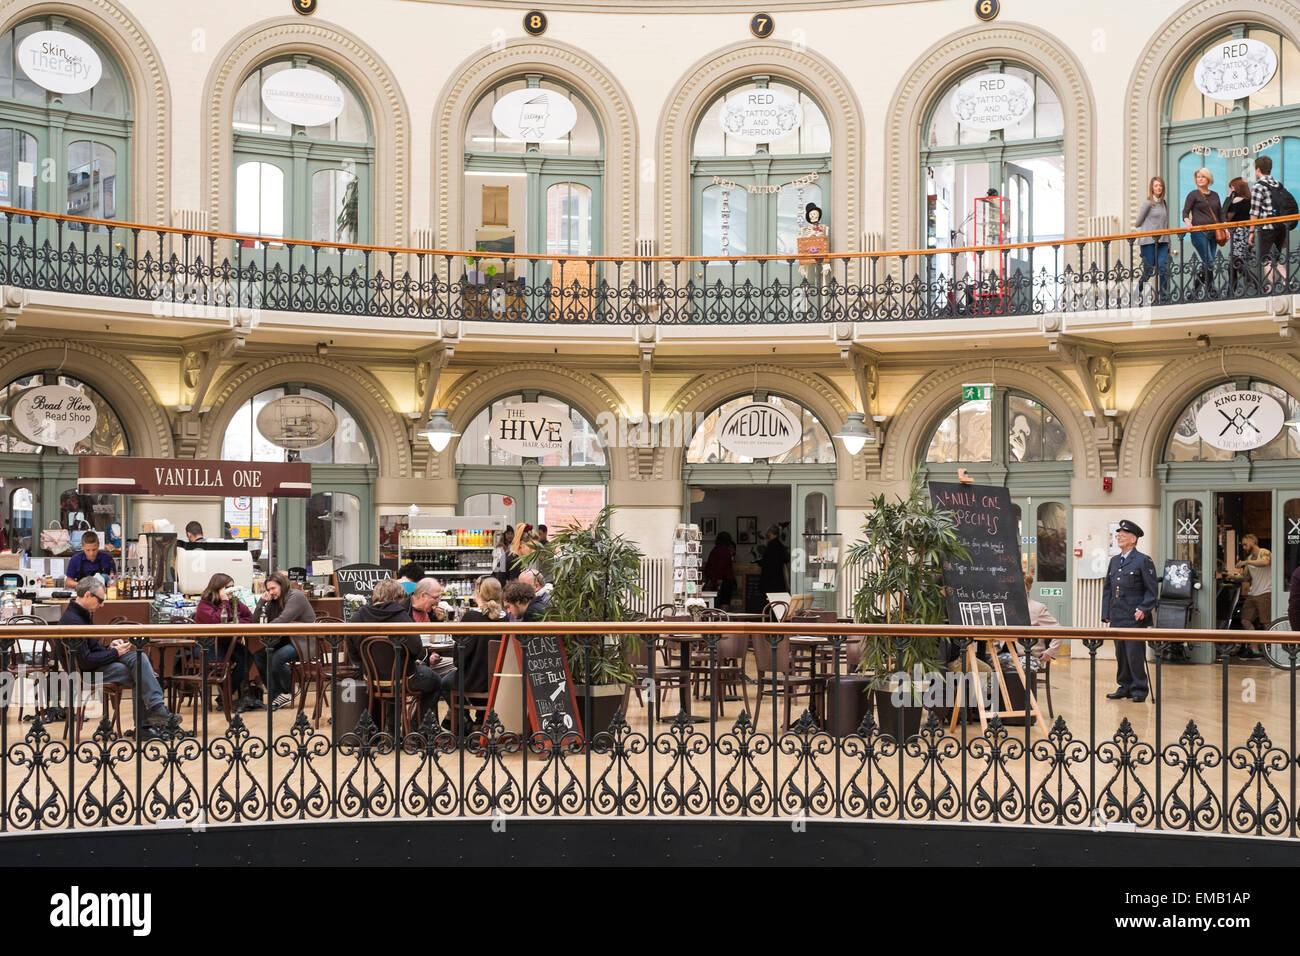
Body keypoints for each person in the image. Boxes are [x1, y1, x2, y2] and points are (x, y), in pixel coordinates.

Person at [62, 577, 175, 729]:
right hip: (85, 673)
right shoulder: (73, 621)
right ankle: (149, 721)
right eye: (100, 600)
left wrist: (109, 648)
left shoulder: (81, 615)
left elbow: (91, 650)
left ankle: (154, 712)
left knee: (139, 659)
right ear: (88, 595)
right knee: (140, 671)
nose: (102, 605)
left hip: (93, 668)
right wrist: (114, 653)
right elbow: (85, 661)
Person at [349, 578, 443, 721]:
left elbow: (353, 654)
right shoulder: (401, 616)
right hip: (404, 679)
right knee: (436, 681)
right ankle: (415, 728)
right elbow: (417, 648)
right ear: (396, 598)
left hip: (371, 679)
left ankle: (391, 731)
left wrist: (368, 666)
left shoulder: (358, 617)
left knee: (398, 676)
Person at [1101, 519, 1157, 703]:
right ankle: (1124, 686)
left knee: (1134, 654)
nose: (1119, 538)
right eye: (1118, 535)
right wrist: (1106, 612)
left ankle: (1139, 689)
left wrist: (1144, 608)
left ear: (1133, 539)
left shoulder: (1143, 561)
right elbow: (1108, 589)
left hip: (1134, 616)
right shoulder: (1114, 561)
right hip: (1118, 615)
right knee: (1121, 654)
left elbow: (1151, 590)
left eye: (1123, 536)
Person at [248, 570, 316, 711]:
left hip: (303, 641)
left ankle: (287, 692)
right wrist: (262, 602)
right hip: (287, 639)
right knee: (259, 656)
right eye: (268, 589)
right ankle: (277, 695)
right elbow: (255, 620)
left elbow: (283, 620)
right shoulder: (275, 599)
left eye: (273, 588)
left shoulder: (296, 596)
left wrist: (265, 627)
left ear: (282, 585)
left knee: (275, 657)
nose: (271, 592)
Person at [446, 576, 507, 729]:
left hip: (473, 680)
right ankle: (481, 720)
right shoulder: (506, 619)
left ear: (479, 594)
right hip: (500, 680)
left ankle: (465, 723)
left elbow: (459, 658)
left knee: (444, 683)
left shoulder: (471, 617)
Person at [194, 572, 255, 710]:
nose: (232, 591)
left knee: (248, 658)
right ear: (219, 588)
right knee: (224, 665)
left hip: (228, 642)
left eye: (233, 587)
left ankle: (224, 695)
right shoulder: (204, 604)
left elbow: (249, 617)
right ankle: (226, 695)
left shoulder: (234, 602)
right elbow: (217, 621)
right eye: (229, 587)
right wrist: (225, 601)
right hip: (209, 645)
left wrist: (236, 622)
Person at [1249, 155, 1290, 291]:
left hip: (1267, 227)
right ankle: (1287, 280)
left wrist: (1251, 232)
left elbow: (1254, 211)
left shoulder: (1258, 186)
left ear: (1258, 169)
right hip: (1281, 226)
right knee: (1276, 257)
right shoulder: (1278, 184)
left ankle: (1270, 286)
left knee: (1266, 258)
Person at [1182, 167, 1222, 298]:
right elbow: (1185, 212)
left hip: (1213, 233)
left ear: (1208, 179)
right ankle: (1212, 289)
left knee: (1208, 263)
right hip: (1199, 233)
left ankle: (1194, 291)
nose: (1200, 179)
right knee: (1209, 261)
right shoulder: (1193, 194)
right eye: (1198, 177)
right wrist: (1188, 222)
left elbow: (1220, 215)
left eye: (1202, 177)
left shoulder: (1215, 195)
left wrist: (1226, 229)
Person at [1233, 533, 1271, 660]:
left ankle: (1270, 650)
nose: (1244, 547)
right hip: (1253, 593)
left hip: (1266, 592)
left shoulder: (1264, 552)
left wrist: (1247, 562)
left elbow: (1265, 562)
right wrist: (1231, 576)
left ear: (1252, 541)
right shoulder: (1249, 559)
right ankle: (1255, 650)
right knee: (1245, 620)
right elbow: (1245, 577)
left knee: (1266, 623)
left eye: (1245, 544)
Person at [1134, 176, 1171, 303]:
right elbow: (1137, 223)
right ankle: (1136, 293)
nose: (1158, 188)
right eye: (1156, 185)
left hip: (1163, 242)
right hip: (1148, 242)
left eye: (1160, 185)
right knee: (1148, 271)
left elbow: (1166, 224)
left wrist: (1169, 242)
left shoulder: (1163, 203)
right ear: (1152, 188)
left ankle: (1164, 298)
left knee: (1163, 269)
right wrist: (1150, 225)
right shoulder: (1148, 203)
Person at [1223, 177, 1258, 295]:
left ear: (1236, 188)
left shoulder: (1236, 200)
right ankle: (1231, 291)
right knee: (1235, 264)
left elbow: (1226, 216)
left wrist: (1229, 198)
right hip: (1247, 232)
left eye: (1231, 188)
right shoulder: (1249, 200)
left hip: (1238, 233)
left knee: (1236, 263)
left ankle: (1256, 285)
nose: (1230, 190)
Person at [1021, 572, 1061, 664]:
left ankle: (1023, 679)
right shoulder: (1002, 606)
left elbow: (1058, 630)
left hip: (1028, 656)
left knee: (1010, 669)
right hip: (1001, 655)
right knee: (988, 670)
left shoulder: (1037, 608)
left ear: (1027, 588)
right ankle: (994, 679)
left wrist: (1050, 652)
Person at [703, 531, 737, 610]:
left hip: (714, 581)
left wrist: (711, 580)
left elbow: (709, 567)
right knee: (724, 602)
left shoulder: (714, 550)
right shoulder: (726, 551)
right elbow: (724, 567)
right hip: (725, 581)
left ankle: (715, 619)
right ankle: (723, 619)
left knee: (715, 602)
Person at [758, 524, 788, 595]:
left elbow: (767, 560)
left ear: (771, 533)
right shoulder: (779, 544)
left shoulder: (771, 545)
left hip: (770, 578)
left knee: (770, 598)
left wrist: (760, 562)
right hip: (778, 576)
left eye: (768, 533)